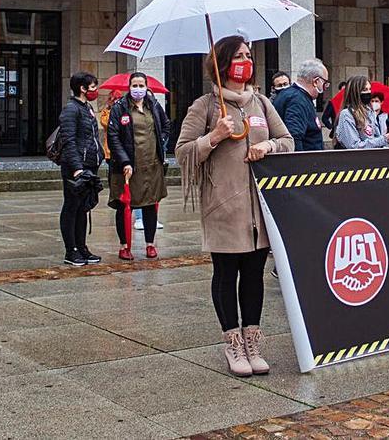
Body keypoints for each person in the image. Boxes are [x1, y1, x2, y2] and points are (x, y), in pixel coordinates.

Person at [176, 35, 294, 377]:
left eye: (249, 55)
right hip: (223, 206)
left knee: (254, 275)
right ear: (222, 63)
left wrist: (268, 147)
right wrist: (213, 136)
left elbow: (288, 140)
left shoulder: (260, 103)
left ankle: (253, 340)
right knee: (227, 275)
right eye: (239, 56)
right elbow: (182, 152)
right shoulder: (205, 107)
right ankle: (233, 343)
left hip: (260, 208)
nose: (247, 61)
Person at [107, 72, 171, 261]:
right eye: (134, 86)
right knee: (124, 205)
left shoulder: (153, 105)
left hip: (151, 164)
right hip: (127, 166)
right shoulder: (120, 107)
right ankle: (124, 246)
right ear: (129, 87)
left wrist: (161, 143)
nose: (138, 89)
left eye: (141, 85)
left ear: (146, 86)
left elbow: (166, 126)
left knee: (150, 203)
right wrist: (125, 161)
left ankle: (150, 244)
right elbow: (113, 136)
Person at [58, 71, 104, 266]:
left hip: (89, 165)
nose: (96, 90)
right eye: (92, 87)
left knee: (83, 208)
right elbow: (68, 141)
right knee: (71, 207)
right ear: (82, 89)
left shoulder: (87, 108)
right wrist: (77, 168)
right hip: (75, 167)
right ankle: (71, 250)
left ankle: (82, 247)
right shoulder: (71, 109)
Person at [272, 58, 328, 152]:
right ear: (316, 81)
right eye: (325, 83)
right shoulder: (298, 100)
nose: (325, 88)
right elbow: (294, 137)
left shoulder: (292, 95)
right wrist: (300, 165)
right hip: (305, 163)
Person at [336, 76, 389, 149]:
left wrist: (387, 138)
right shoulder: (346, 114)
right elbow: (354, 146)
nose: (368, 92)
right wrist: (382, 140)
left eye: (370, 89)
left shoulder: (369, 111)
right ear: (356, 92)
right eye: (365, 89)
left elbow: (375, 137)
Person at [321, 81, 346, 147]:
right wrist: (332, 127)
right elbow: (324, 118)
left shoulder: (350, 103)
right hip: (337, 134)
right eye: (343, 90)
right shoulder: (333, 103)